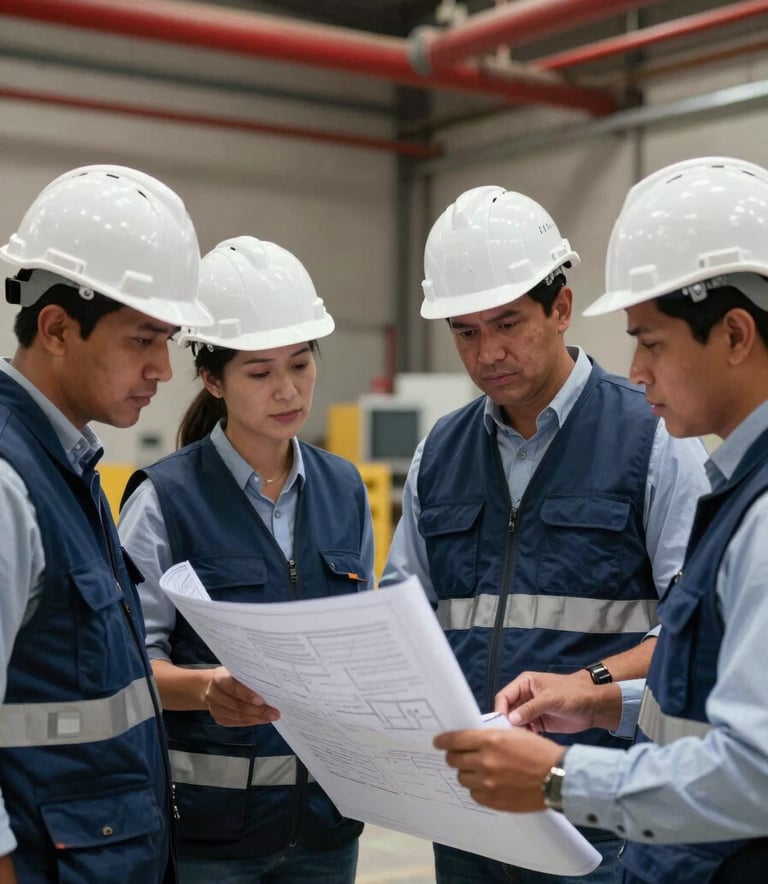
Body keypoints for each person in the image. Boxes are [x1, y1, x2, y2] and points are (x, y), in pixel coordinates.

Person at [433, 156, 768, 884]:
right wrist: (598, 700)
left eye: (650, 342)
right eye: (465, 331)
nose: (637, 370)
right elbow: (701, 698)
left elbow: (755, 767)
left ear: (735, 335)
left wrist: (560, 778)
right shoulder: (738, 488)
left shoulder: (739, 499)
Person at [380, 185, 710, 883]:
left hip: (599, 812)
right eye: (465, 332)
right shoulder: (438, 454)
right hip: (470, 813)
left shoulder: (654, 438)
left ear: (560, 309)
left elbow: (692, 634)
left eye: (507, 323)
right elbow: (400, 623)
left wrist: (584, 683)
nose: (487, 352)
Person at [118, 235, 375, 884]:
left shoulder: (345, 488)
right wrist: (207, 689)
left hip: (327, 825)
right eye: (259, 372)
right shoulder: (165, 500)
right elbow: (126, 666)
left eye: (300, 364)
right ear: (212, 379)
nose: (287, 390)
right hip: (210, 836)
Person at [0, 164, 211, 882]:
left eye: (169, 342)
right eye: (141, 340)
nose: (161, 368)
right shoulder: (9, 482)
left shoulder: (67, 464)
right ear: (57, 328)